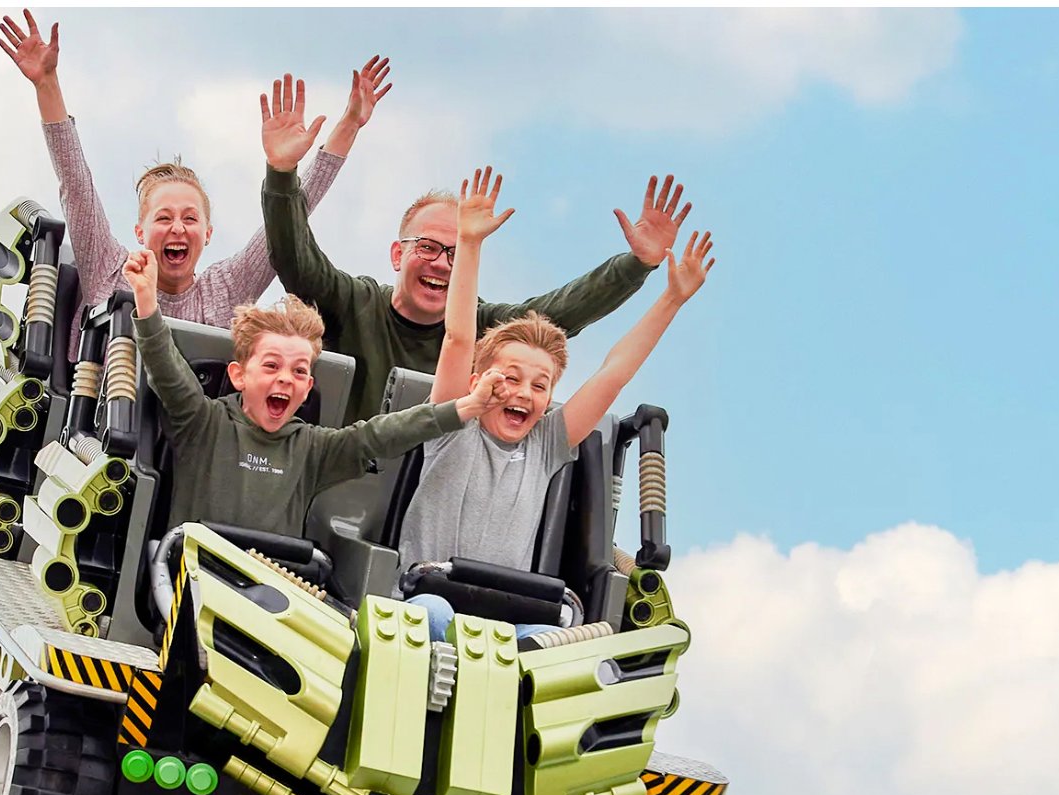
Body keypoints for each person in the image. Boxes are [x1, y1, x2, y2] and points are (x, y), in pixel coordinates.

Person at [398, 168, 715, 645]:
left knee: (555, 645)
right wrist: (469, 243)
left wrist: (671, 299)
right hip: (428, 599)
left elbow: (613, 374)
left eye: (539, 386)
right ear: (477, 381)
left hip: (504, 622)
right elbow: (459, 337)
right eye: (511, 378)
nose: (524, 393)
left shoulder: (546, 443)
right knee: (433, 616)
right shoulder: (453, 421)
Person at [0, 9, 392, 361]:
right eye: (163, 218)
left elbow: (290, 221)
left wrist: (347, 126)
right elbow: (76, 184)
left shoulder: (224, 290)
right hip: (100, 417)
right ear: (140, 232)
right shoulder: (110, 270)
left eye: (190, 219)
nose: (177, 228)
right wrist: (46, 84)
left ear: (207, 233)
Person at [262, 126, 693, 421]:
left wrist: (636, 264)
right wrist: (282, 175)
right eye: (427, 247)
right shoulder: (354, 302)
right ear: (398, 254)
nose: (440, 264)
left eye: (455, 253)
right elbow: (298, 261)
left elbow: (560, 313)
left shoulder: (483, 327)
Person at [121, 248, 510, 539]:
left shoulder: (313, 449)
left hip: (269, 597)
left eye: (299, 371)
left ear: (308, 388)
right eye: (271, 366)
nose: (285, 379)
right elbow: (167, 369)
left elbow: (381, 435)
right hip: (187, 585)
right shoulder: (202, 422)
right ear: (239, 376)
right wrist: (146, 298)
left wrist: (466, 407)